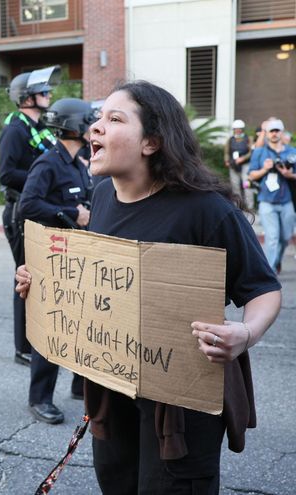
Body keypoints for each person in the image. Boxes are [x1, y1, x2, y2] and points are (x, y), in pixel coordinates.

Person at [14, 81, 282, 493]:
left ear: (152, 142)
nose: (96, 127)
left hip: (179, 409)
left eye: (114, 119)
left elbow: (263, 289)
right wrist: (44, 284)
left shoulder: (206, 210)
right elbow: (96, 283)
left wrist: (244, 334)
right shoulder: (101, 197)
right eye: (98, 118)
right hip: (112, 396)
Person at [18, 98, 95, 424]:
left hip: (76, 256)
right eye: (89, 122)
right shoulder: (49, 163)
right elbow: (28, 205)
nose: (95, 127)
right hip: (52, 256)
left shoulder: (79, 162)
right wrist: (71, 214)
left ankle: (81, 386)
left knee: (81, 321)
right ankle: (40, 398)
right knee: (53, 326)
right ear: (75, 126)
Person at [0, 65, 60, 366]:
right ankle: (23, 347)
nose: (49, 94)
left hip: (37, 211)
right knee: (25, 277)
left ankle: (33, 339)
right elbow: (7, 173)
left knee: (36, 278)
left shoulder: (40, 127)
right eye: (43, 91)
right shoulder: (15, 128)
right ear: (26, 97)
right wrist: (41, 179)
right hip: (19, 211)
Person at [247, 118, 296, 273]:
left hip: (287, 201)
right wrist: (265, 169)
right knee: (272, 237)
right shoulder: (260, 152)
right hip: (266, 201)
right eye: (271, 131)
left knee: (285, 237)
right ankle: (270, 272)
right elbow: (250, 176)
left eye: (277, 131)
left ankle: (276, 261)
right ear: (266, 134)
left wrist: (289, 175)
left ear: (282, 133)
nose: (274, 134)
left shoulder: (292, 152)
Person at [224, 119, 254, 210]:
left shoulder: (248, 138)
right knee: (235, 186)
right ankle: (238, 206)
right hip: (234, 165)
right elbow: (226, 152)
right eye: (236, 129)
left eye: (239, 128)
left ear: (242, 129)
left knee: (247, 185)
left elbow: (251, 152)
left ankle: (250, 207)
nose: (237, 130)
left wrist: (243, 158)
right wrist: (227, 161)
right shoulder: (230, 139)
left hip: (245, 165)